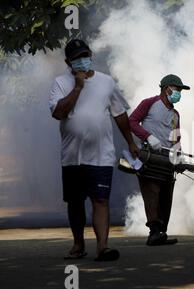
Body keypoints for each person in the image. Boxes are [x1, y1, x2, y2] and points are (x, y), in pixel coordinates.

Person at [49, 39, 139, 261]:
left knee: (101, 200)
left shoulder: (106, 82)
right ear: (68, 62)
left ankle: (103, 247)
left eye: (85, 55)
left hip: (101, 155)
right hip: (72, 156)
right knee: (75, 202)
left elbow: (120, 114)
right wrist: (78, 88)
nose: (82, 60)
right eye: (77, 58)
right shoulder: (60, 83)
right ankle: (78, 245)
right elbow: (58, 112)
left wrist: (130, 142)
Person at [129, 74, 190, 246]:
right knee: (152, 192)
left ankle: (161, 232)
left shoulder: (176, 114)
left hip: (168, 158)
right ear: (167, 88)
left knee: (166, 194)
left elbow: (176, 138)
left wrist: (180, 154)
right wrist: (148, 137)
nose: (179, 93)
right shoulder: (149, 103)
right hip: (150, 156)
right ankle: (154, 232)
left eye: (180, 91)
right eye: (177, 89)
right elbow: (132, 122)